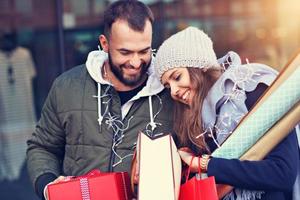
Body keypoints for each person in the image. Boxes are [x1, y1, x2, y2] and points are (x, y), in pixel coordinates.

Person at [26, 1, 174, 199]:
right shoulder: (67, 86)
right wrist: (48, 186)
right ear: (105, 44)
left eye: (144, 51)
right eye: (125, 52)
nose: (136, 62)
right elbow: (42, 147)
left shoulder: (172, 91)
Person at [153, 26, 299, 200]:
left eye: (177, 77)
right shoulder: (193, 124)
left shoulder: (252, 88)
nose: (174, 91)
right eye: (168, 86)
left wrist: (205, 164)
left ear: (199, 67)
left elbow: (282, 173)